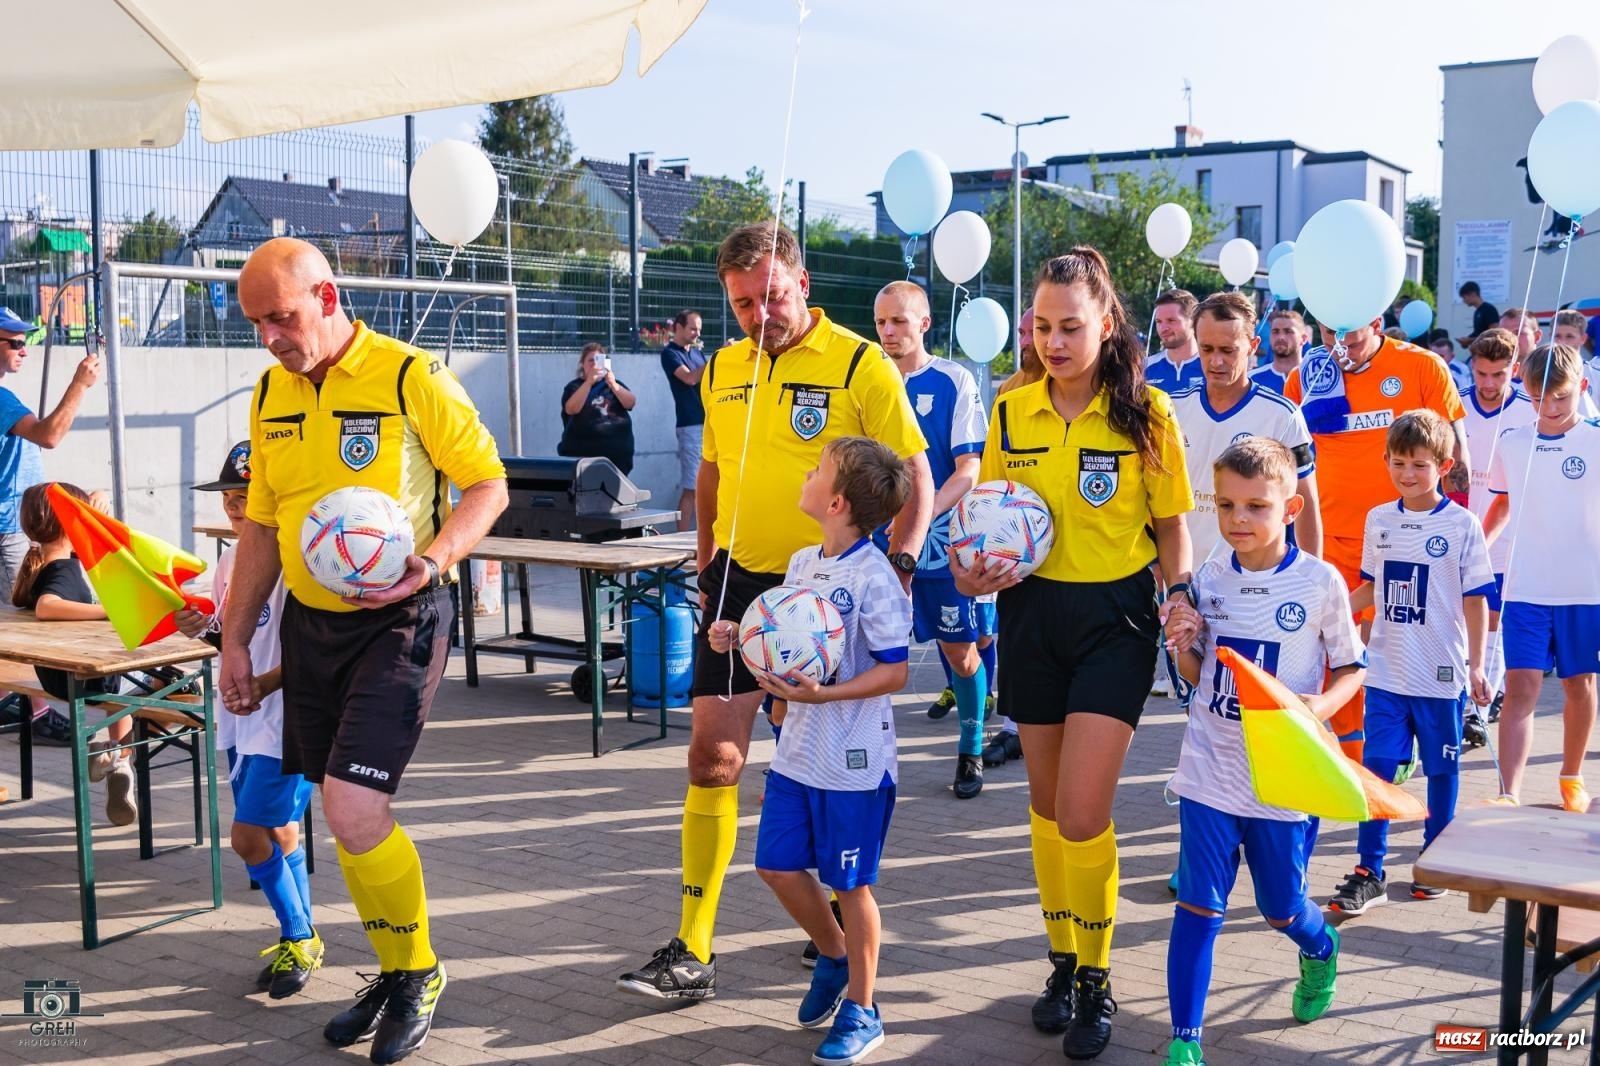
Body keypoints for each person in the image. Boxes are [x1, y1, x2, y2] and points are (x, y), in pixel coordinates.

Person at [615, 223, 932, 1003]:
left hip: (824, 600)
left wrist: (898, 562)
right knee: (711, 760)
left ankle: (836, 928)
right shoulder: (724, 365)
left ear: (803, 281)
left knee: (814, 766)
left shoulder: (861, 362)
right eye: (743, 303)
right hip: (738, 583)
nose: (761, 315)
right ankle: (692, 947)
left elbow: (914, 473)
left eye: (773, 296)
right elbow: (714, 469)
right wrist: (704, 552)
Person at [224, 237, 508, 1064]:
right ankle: (393, 966)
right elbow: (264, 526)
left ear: (329, 294)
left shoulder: (408, 375)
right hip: (312, 629)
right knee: (342, 817)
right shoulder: (272, 391)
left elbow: (486, 482)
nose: (272, 334)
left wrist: (436, 559)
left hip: (401, 619)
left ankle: (416, 971)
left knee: (354, 808)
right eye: (257, 322)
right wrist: (237, 639)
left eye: (283, 315)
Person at [955, 247, 1194, 1060]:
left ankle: (1096, 977)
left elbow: (1171, 525)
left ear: (1106, 324)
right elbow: (986, 523)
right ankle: (1060, 961)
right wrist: (967, 569)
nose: (1054, 342)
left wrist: (1182, 594)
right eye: (1043, 327)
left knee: (1087, 815)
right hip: (1029, 615)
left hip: (1114, 621)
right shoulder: (1009, 412)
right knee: (1049, 812)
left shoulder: (1147, 412)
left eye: (1071, 327)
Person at [707, 436, 911, 1066]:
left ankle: (864, 1008)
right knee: (774, 866)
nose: (806, 473)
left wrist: (828, 696)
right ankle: (832, 954)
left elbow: (896, 670)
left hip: (853, 759)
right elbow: (788, 639)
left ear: (837, 502)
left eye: (816, 470)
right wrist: (739, 636)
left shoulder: (875, 577)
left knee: (851, 886)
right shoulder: (801, 563)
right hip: (796, 751)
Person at [1161, 439, 1364, 1066]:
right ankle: (1185, 1041)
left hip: (1282, 779)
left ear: (1291, 507)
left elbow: (1353, 670)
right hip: (1210, 771)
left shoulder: (1320, 581)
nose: (1238, 519)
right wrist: (1180, 644)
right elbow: (1198, 676)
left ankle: (1320, 946)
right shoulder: (1209, 580)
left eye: (1256, 506)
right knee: (1199, 906)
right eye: (1225, 505)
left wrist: (1315, 712)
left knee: (1280, 909)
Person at [1326, 412, 1493, 916]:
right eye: (1398, 463)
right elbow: (1372, 588)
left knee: (1442, 770)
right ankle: (1369, 870)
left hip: (1440, 674)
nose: (1407, 474)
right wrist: (1327, 618)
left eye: (1419, 465)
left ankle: (1435, 858)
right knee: (1375, 771)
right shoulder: (1379, 519)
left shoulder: (1462, 525)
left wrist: (1478, 665)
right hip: (1387, 670)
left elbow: (1476, 600)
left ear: (1443, 465)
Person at [1284, 319, 1468, 760]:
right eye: (1329, 332)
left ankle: (1395, 751)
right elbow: (1287, 460)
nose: (1339, 343)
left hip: (1401, 544)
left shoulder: (1422, 366)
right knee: (1333, 651)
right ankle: (1353, 756)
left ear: (1377, 322)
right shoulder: (1303, 377)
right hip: (1326, 538)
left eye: (1350, 332)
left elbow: (1454, 457)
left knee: (1390, 651)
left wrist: (1455, 532)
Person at [176, 441, 320, 998]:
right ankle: (303, 941)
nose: (236, 508)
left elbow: (316, 650)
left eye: (247, 497)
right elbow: (234, 640)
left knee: (245, 837)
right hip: (241, 716)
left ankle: (299, 934)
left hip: (289, 718)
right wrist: (203, 629)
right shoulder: (232, 560)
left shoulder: (305, 562)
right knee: (279, 830)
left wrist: (265, 683)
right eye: (229, 498)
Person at [873, 281, 991, 797]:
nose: (888, 332)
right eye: (880, 323)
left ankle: (971, 748)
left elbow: (969, 467)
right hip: (875, 546)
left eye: (899, 321)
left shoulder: (953, 380)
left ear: (924, 323)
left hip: (941, 546)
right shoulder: (867, 378)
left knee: (960, 654)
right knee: (866, 652)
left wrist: (923, 517)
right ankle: (857, 756)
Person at [1483, 343, 1599, 813]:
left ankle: (1571, 776)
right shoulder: (1512, 441)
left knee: (1579, 684)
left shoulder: (1596, 439)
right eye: (1537, 399)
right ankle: (1509, 792)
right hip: (1526, 586)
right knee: (1522, 683)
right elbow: (1503, 503)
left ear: (1583, 389)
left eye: (1560, 398)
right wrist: (1475, 549)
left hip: (1584, 590)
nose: (1548, 409)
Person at [11, 481, 139, 824]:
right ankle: (119, 759)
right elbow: (47, 606)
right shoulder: (63, 572)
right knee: (154, 689)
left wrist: (90, 511)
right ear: (70, 526)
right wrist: (109, 611)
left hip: (54, 677)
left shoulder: (42, 564)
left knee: (141, 691)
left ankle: (104, 752)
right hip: (85, 680)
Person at [1171, 292, 1321, 572]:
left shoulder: (1282, 415)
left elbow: (1307, 501)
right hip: (1180, 576)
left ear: (1252, 346)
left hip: (1253, 581)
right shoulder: (1172, 407)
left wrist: (1312, 576)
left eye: (1228, 351)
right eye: (1207, 349)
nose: (1216, 361)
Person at [1458, 330, 1535, 730]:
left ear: (1515, 370)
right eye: (1481, 373)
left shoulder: (1531, 411)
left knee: (1493, 618)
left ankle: (1479, 711)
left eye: (1499, 375)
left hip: (1508, 540)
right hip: (1459, 534)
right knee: (1462, 617)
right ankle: (1471, 694)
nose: (1488, 384)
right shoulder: (1454, 407)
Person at [0, 306, 100, 595]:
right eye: (16, 343)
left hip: (13, 524)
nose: (24, 351)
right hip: (9, 528)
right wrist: (80, 384)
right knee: (18, 620)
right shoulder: (3, 400)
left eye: (25, 342)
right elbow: (49, 435)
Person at [981, 305, 1040, 767]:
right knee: (1012, 638)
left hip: (1077, 558)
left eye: (1033, 330)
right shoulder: (1008, 394)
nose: (1026, 340)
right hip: (1015, 550)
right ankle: (1012, 727)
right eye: (1023, 331)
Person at [559, 343, 637, 475]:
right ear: (582, 364)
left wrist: (612, 383)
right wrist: (589, 382)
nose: (594, 364)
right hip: (583, 458)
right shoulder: (574, 387)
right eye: (590, 360)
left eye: (598, 360)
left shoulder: (615, 385)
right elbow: (571, 409)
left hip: (617, 458)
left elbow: (631, 403)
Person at [661, 310, 707, 528]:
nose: (696, 333)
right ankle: (683, 537)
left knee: (707, 485)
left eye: (699, 329)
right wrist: (718, 358)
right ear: (678, 327)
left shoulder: (697, 353)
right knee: (692, 487)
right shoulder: (670, 354)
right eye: (692, 328)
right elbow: (689, 378)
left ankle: (705, 537)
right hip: (690, 426)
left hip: (707, 424)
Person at [1145, 289, 1205, 395]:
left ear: (1193, 321)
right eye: (1159, 322)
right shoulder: (1144, 368)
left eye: (1171, 320)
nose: (1163, 328)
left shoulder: (1212, 366)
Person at [1250, 310, 1308, 396]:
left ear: (1303, 339)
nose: (1280, 337)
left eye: (1288, 331)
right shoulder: (1251, 380)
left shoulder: (1317, 378)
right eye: (1275, 331)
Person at [1425, 329, 1473, 393]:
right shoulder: (1422, 372)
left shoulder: (1459, 375)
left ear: (1451, 357)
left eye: (1441, 356)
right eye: (1434, 356)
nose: (1437, 359)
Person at [1454, 281, 1500, 348]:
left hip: (1489, 352)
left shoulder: (1489, 309)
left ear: (1473, 294)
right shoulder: (1477, 312)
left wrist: (1469, 340)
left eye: (1464, 297)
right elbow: (1478, 332)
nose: (1464, 301)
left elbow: (1493, 334)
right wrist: (1466, 340)